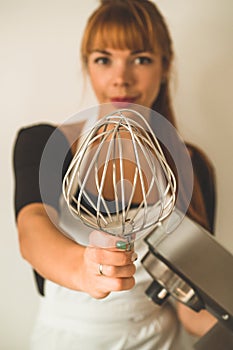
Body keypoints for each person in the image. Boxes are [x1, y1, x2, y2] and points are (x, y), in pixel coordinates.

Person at [13, 1, 217, 349]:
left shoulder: (191, 166)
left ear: (164, 66)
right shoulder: (45, 143)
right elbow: (32, 232)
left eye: (141, 59)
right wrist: (84, 269)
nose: (121, 77)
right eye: (104, 59)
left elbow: (190, 309)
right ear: (87, 66)